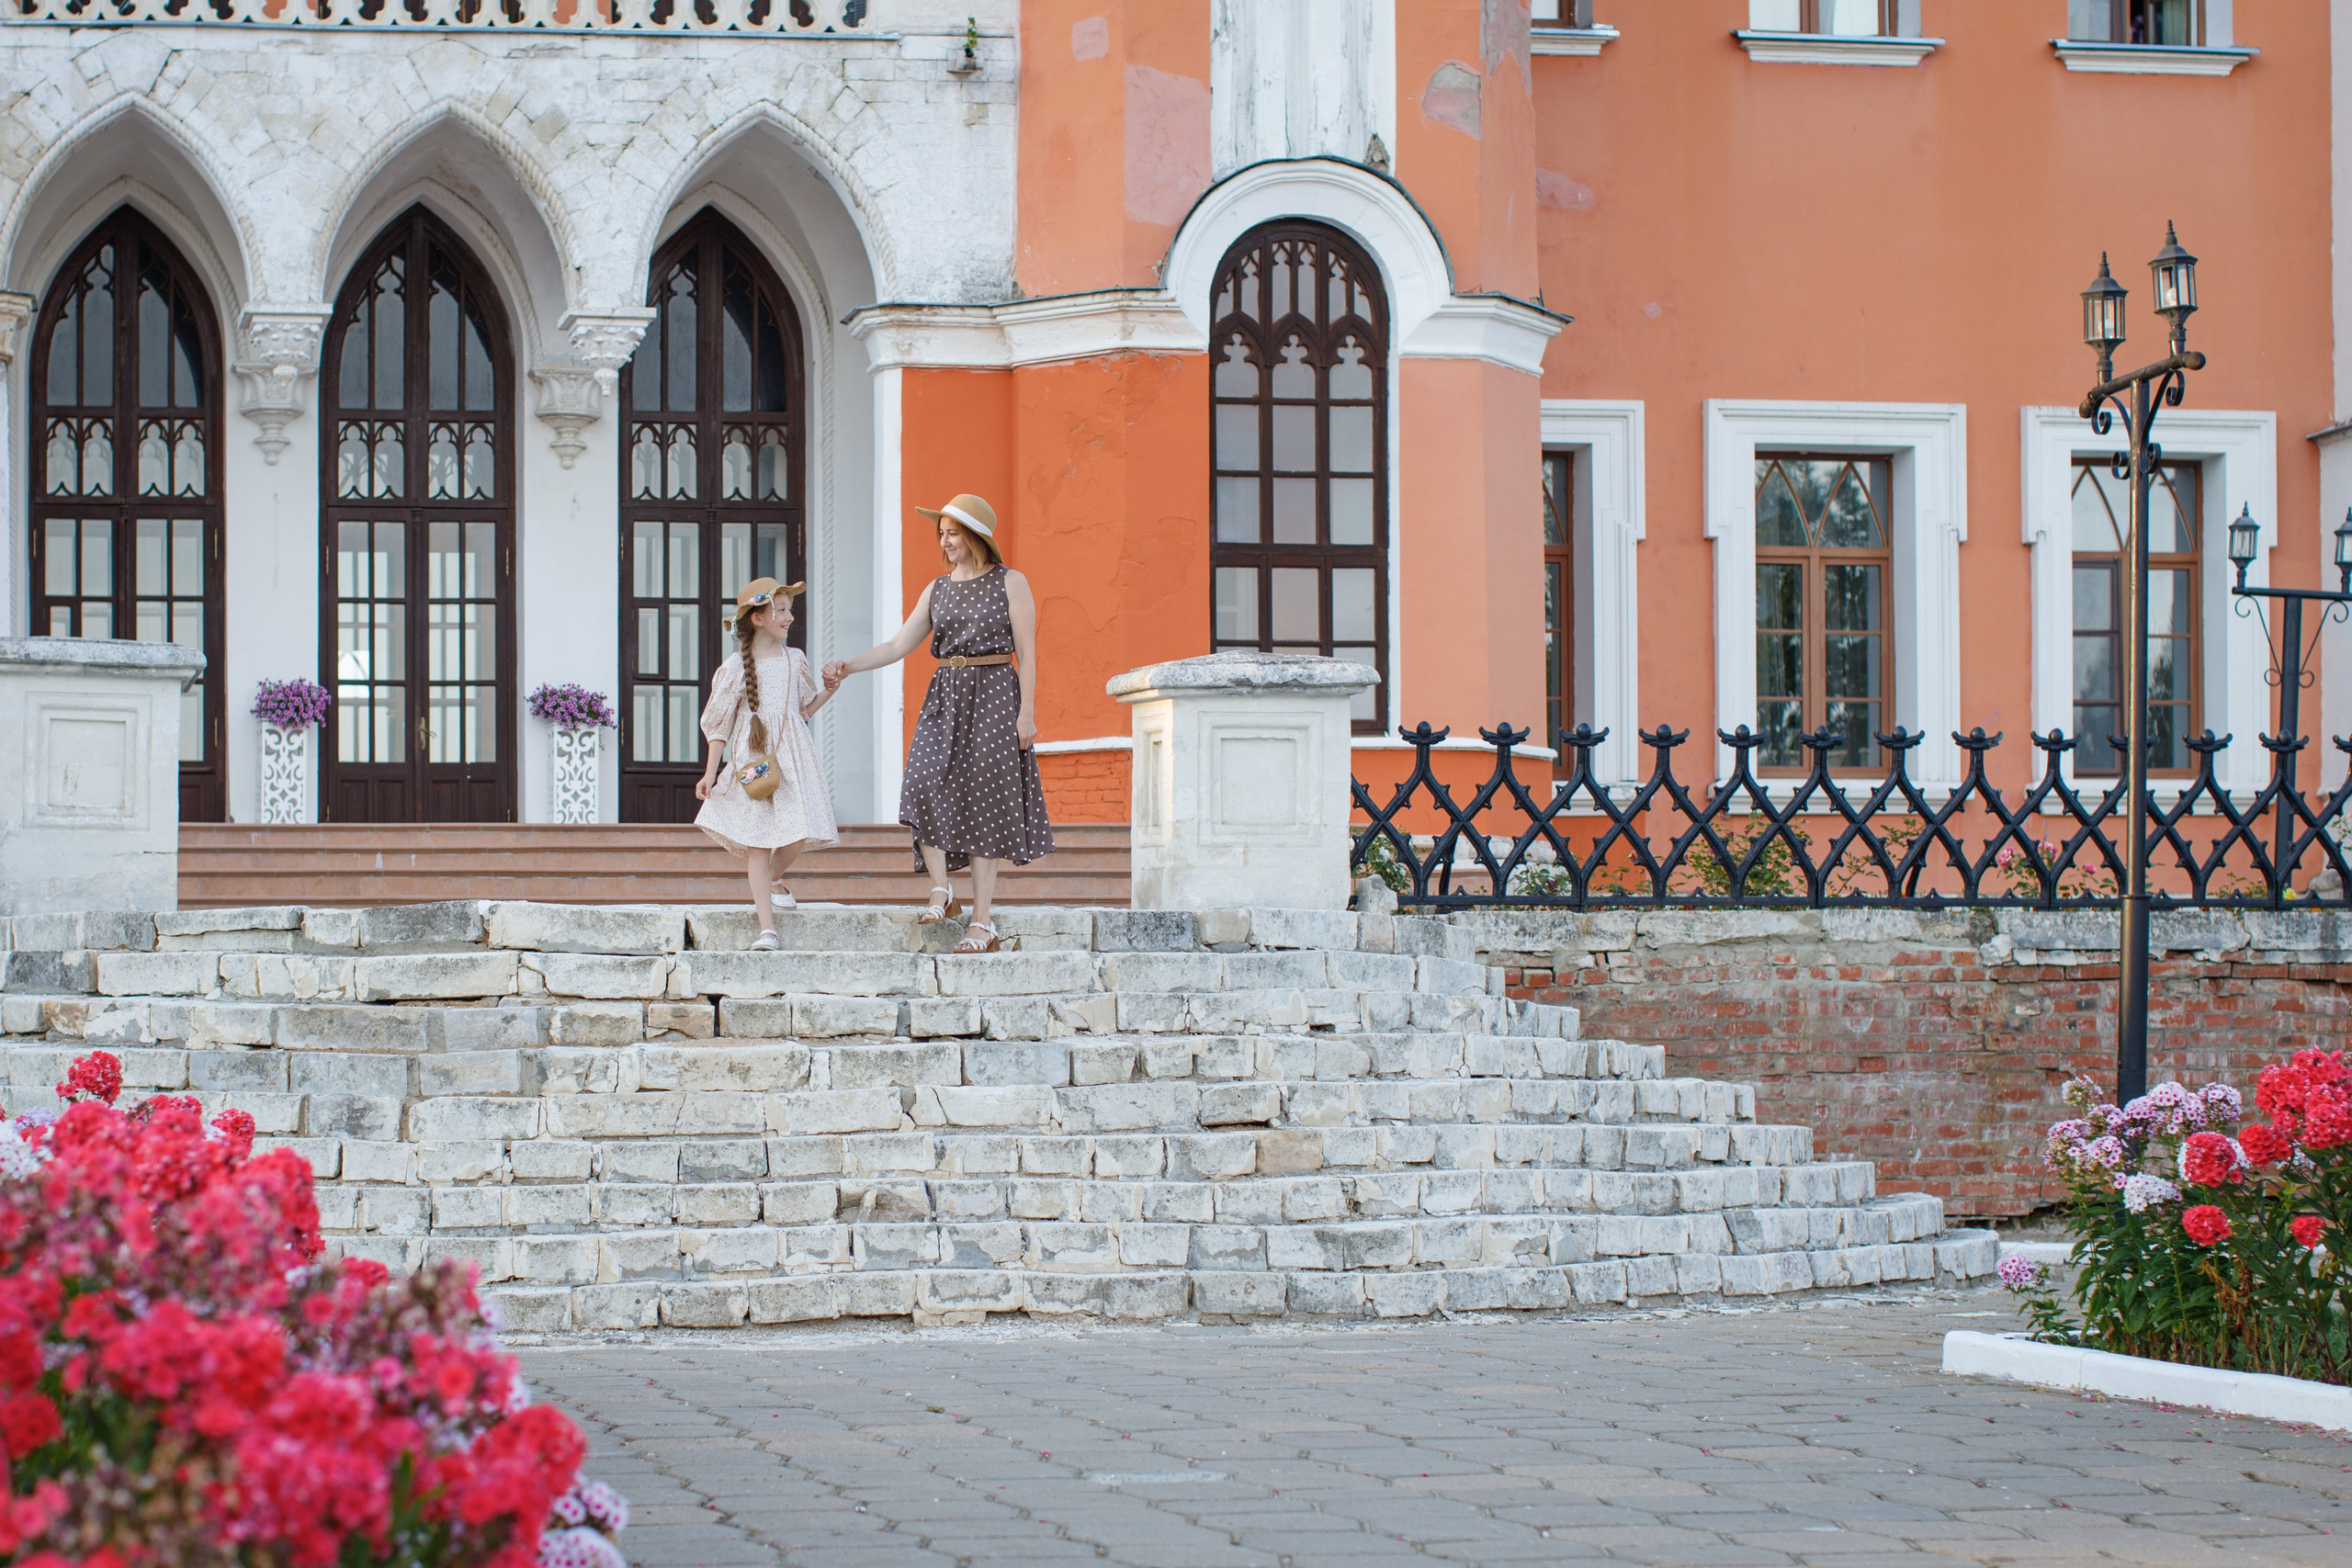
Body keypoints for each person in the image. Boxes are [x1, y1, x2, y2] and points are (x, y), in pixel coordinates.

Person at [825, 493, 1053, 953]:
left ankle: (982, 921)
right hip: (945, 695)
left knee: (986, 802)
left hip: (995, 694)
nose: (945, 542)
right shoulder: (938, 588)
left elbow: (1027, 655)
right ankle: (941, 888)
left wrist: (1026, 713)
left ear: (975, 536)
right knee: (921, 781)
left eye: (953, 533)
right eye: (942, 534)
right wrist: (850, 666)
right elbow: (897, 645)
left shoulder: (1011, 582)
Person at [695, 578, 841, 952]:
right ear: (758, 618)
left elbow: (803, 710)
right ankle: (767, 930)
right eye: (781, 610)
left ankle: (773, 879)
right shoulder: (734, 668)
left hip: (793, 756)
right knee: (759, 844)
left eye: (790, 609)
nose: (789, 617)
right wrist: (711, 772)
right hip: (753, 758)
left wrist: (830, 690)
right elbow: (719, 725)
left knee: (798, 833)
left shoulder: (795, 659)